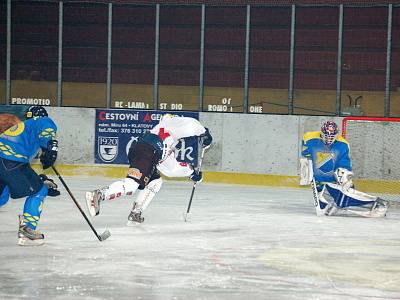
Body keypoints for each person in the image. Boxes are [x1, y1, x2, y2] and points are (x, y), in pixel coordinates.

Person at [86, 114, 213, 225]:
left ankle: (136, 212)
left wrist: (191, 172)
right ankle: (100, 195)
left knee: (156, 181)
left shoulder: (165, 141)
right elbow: (190, 124)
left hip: (145, 152)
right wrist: (204, 133)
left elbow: (170, 168)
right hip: (148, 152)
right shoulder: (169, 123)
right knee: (131, 185)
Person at [300, 120, 388, 218]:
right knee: (325, 209)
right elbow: (306, 157)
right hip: (319, 184)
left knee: (342, 200)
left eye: (331, 137)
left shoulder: (343, 145)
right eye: (326, 136)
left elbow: (344, 164)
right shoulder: (310, 139)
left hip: (334, 182)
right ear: (321, 133)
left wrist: (344, 176)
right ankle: (339, 204)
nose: (329, 140)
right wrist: (306, 171)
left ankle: (377, 204)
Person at [0, 105, 59, 245]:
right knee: (40, 191)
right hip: (11, 163)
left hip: (7, 161)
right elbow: (47, 132)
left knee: (2, 195)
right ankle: (28, 228)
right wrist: (50, 149)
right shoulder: (42, 120)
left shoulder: (26, 128)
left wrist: (39, 179)